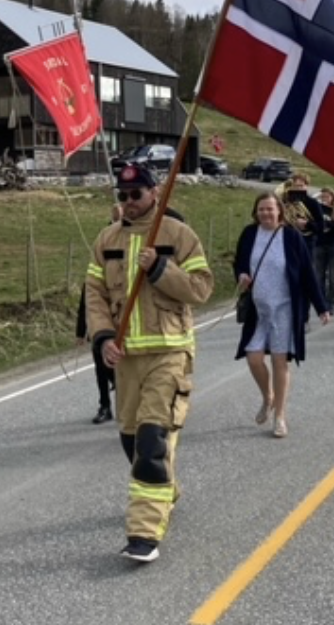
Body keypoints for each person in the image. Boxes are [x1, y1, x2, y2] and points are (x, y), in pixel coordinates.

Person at [84, 164, 214, 564]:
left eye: (135, 195)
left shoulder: (178, 235)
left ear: (155, 193)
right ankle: (164, 488)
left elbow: (201, 289)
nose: (128, 203)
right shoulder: (107, 238)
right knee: (129, 439)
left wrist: (160, 268)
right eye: (121, 197)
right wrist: (103, 337)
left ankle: (144, 532)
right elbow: (95, 293)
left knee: (152, 441)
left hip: (170, 352)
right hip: (126, 359)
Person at [234, 192, 331, 439]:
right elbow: (240, 262)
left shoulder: (291, 237)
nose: (266, 213)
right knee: (253, 357)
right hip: (259, 309)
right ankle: (268, 397)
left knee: (280, 361)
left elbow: (308, 273)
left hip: (285, 308)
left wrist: (321, 306)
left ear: (280, 211)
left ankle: (280, 416)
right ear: (256, 212)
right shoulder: (248, 234)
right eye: (261, 209)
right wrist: (242, 275)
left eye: (270, 209)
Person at [75, 203, 123, 424]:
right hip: (103, 321)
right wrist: (82, 329)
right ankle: (105, 405)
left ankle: (128, 403)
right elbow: (90, 292)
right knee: (100, 363)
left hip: (126, 319)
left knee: (121, 367)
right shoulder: (103, 247)